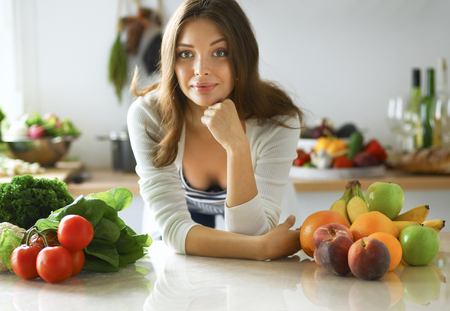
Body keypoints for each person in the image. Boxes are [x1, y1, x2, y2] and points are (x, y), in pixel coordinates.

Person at [127, 0, 304, 260]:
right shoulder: (148, 116)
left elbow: (254, 232)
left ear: (242, 56)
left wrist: (237, 147)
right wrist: (262, 248)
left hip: (268, 255)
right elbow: (175, 231)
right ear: (171, 60)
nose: (201, 71)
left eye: (219, 52)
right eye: (186, 53)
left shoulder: (277, 120)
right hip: (180, 259)